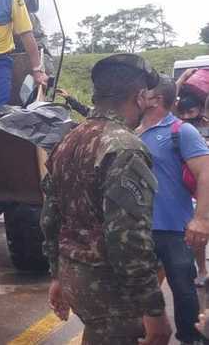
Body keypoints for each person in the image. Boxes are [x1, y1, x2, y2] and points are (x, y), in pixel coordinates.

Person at [41, 53, 171, 345]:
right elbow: (129, 239)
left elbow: (50, 216)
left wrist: (57, 275)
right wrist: (153, 311)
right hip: (111, 289)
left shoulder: (69, 140)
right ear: (139, 97)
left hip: (75, 277)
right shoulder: (125, 149)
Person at [138, 76, 209, 344]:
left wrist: (201, 219)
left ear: (156, 99)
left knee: (183, 288)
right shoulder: (131, 132)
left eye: (144, 91)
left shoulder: (181, 131)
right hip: (138, 229)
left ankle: (191, 338)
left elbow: (205, 172)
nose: (138, 94)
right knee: (138, 288)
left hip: (174, 228)